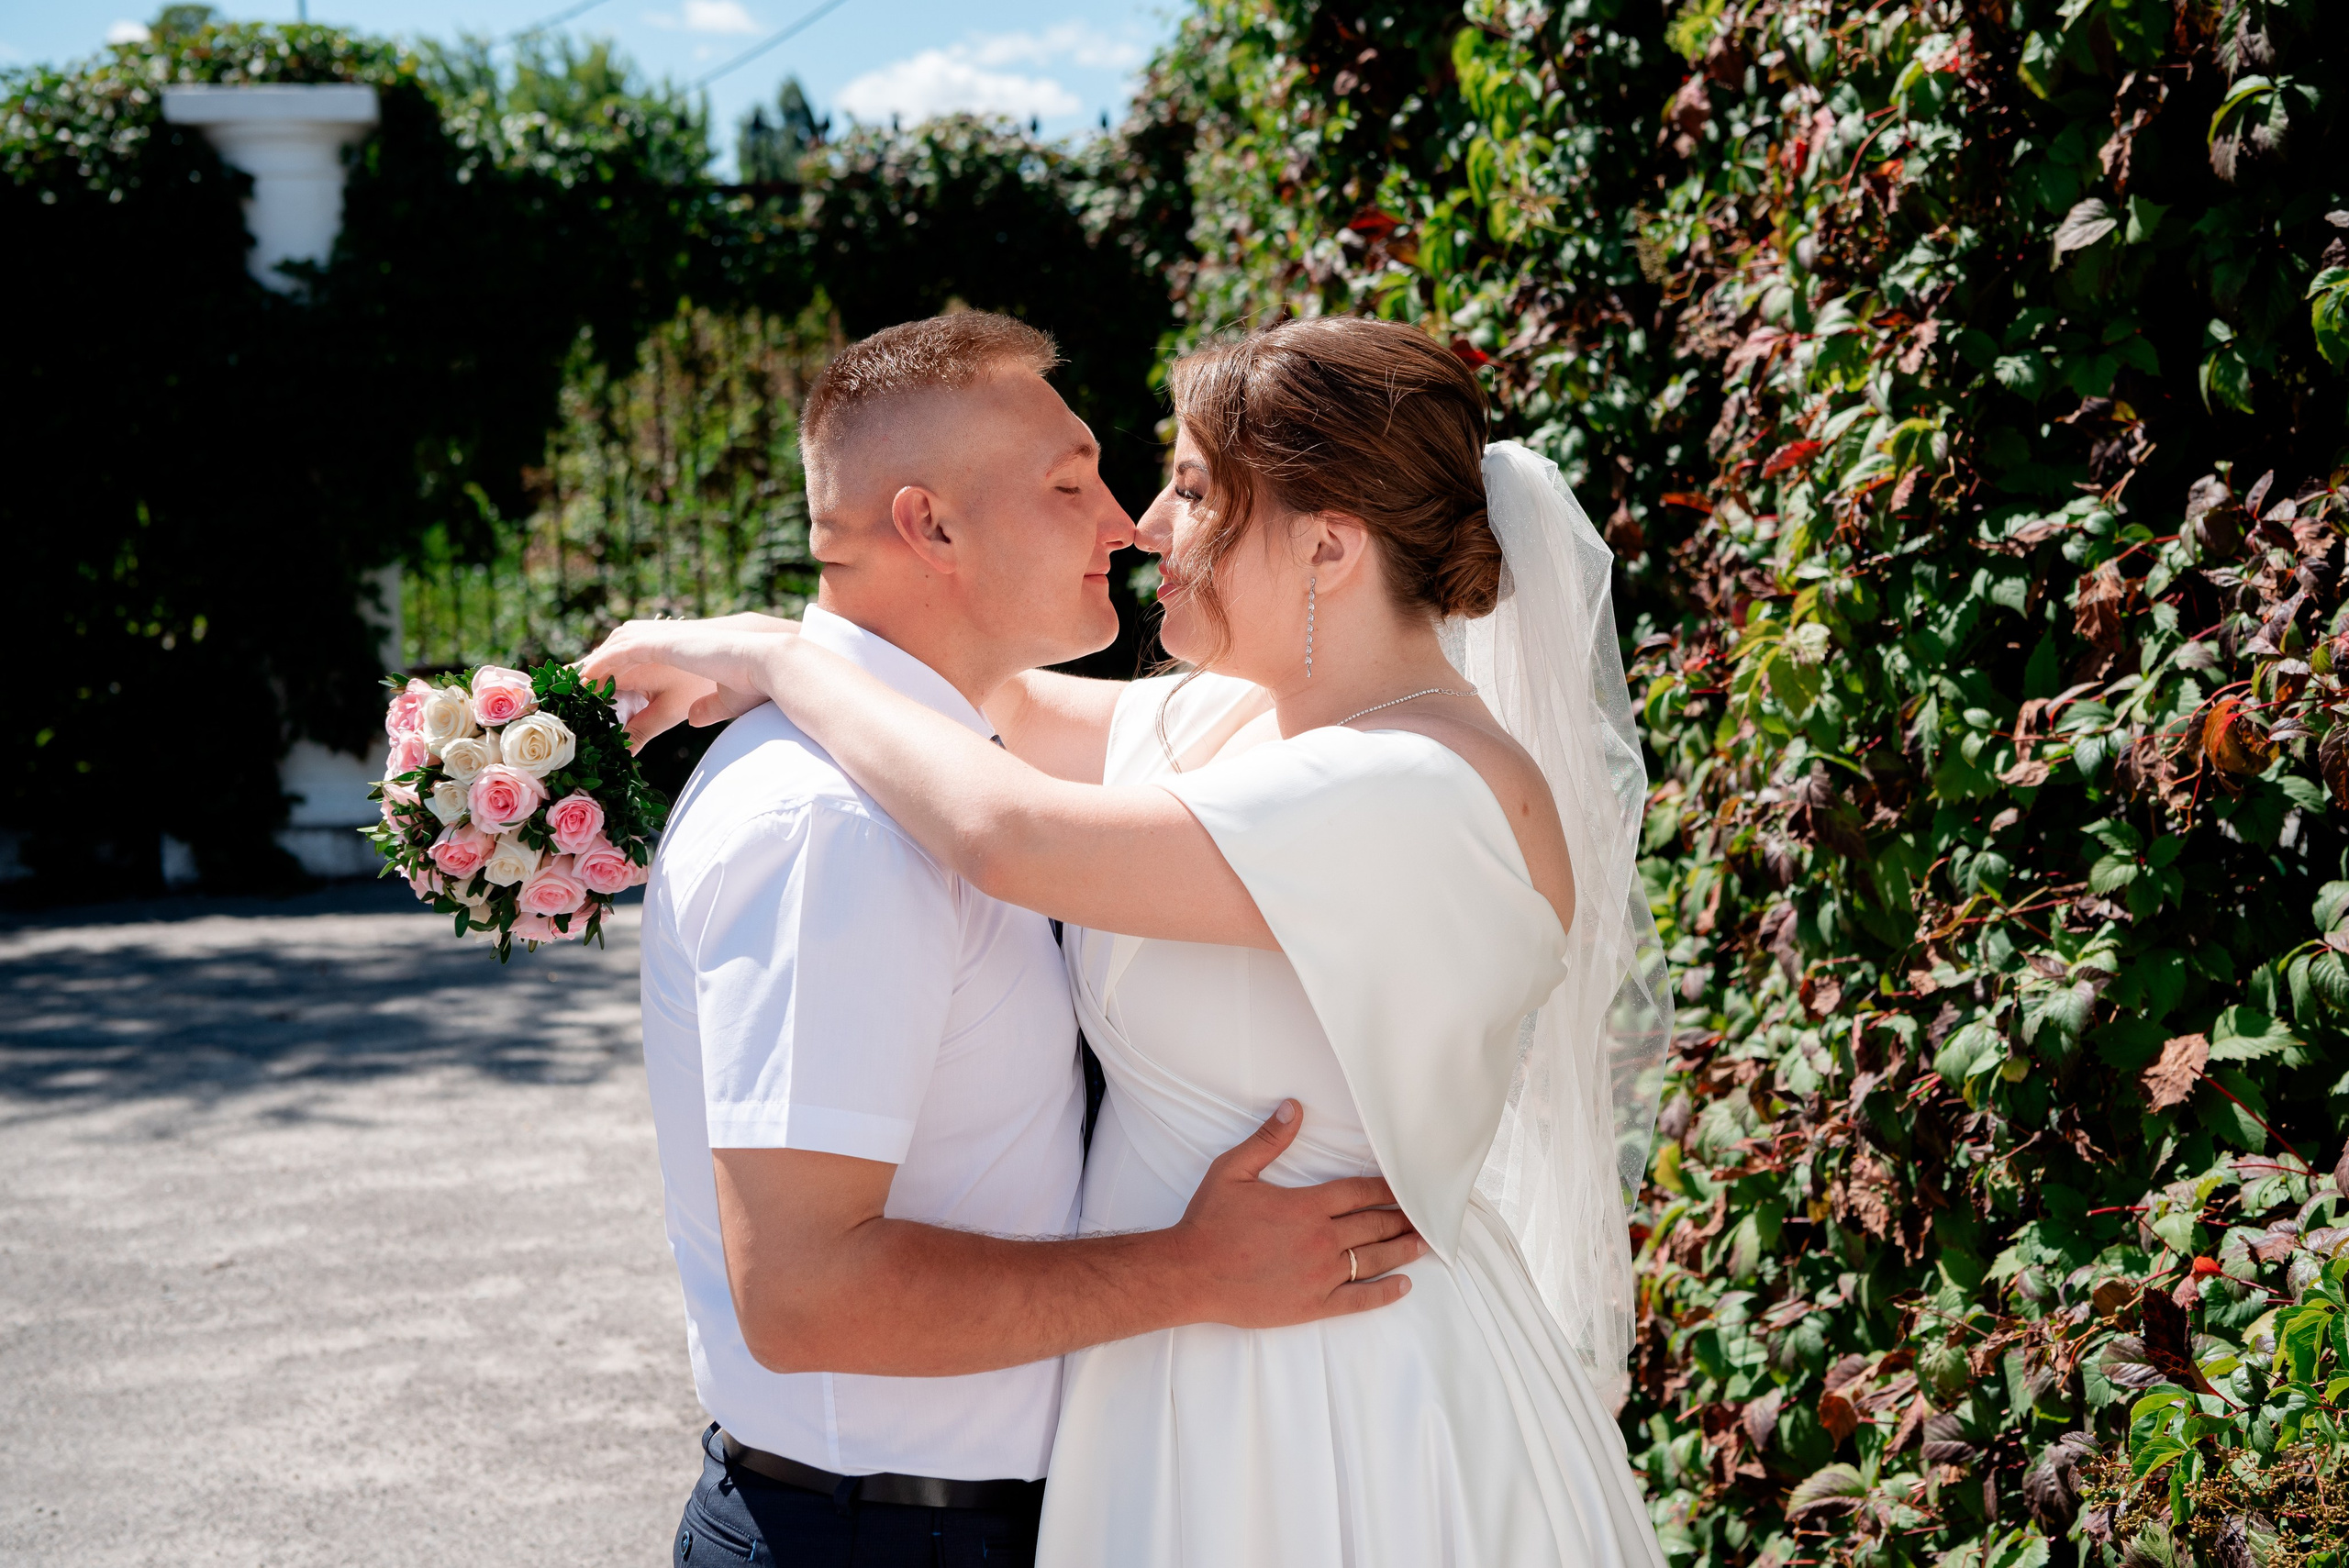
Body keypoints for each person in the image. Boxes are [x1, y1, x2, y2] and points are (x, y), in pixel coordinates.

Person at [590, 314, 1675, 1567]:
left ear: (1327, 543)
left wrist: (769, 649)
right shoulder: (1240, 724)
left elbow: (1002, 824)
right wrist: (801, 637)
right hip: (1179, 1368)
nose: (1147, 524)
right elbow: (971, 687)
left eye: (1196, 489)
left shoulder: (1417, 787)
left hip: (1325, 1389)